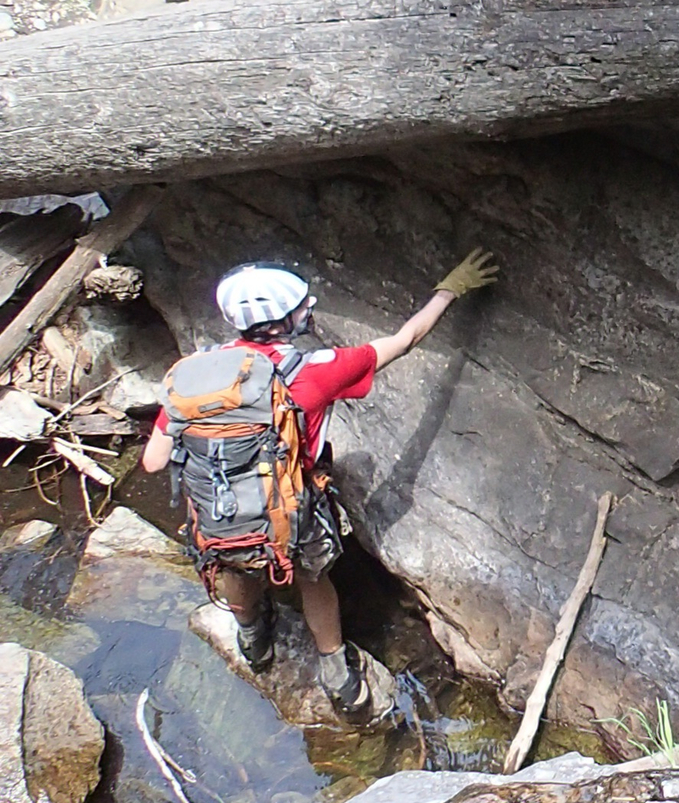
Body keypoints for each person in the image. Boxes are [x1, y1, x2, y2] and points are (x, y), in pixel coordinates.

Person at [141, 251, 498, 723]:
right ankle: (336, 671)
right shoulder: (315, 369)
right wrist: (449, 289)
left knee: (234, 557)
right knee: (314, 577)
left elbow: (152, 461)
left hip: (218, 515)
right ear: (287, 319)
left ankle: (252, 634)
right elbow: (406, 339)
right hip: (289, 511)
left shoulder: (193, 375)